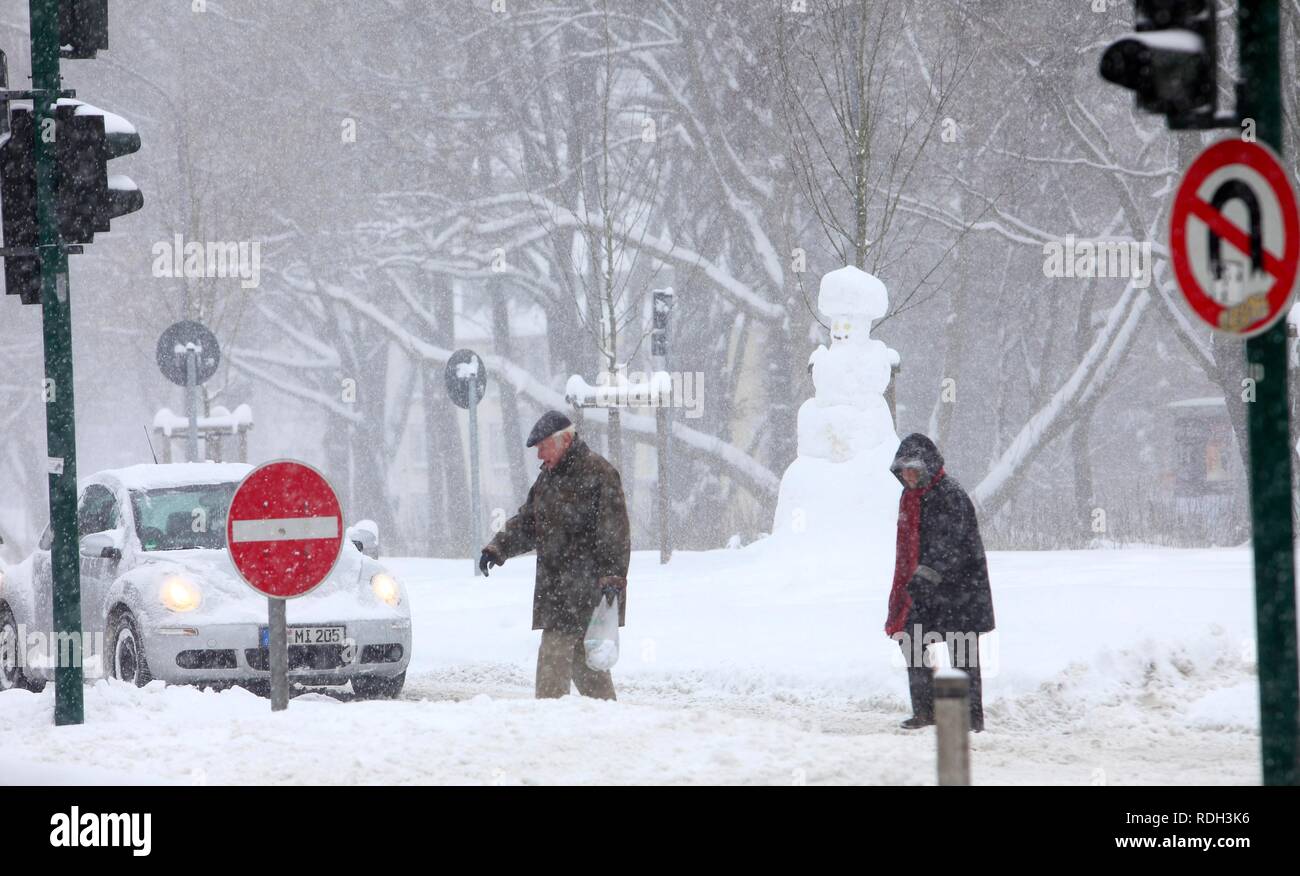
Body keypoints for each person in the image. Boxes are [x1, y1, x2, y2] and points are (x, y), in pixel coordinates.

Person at [479, 411, 630, 700]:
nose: (539, 455)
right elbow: (528, 522)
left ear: (565, 440)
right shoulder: (547, 480)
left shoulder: (600, 473)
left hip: (588, 593)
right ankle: (607, 721)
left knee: (555, 668)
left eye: (543, 447)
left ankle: (550, 726)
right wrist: (497, 548)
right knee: (588, 671)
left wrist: (612, 578)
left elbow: (615, 532)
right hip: (557, 593)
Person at [885, 433, 994, 732]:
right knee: (912, 641)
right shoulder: (910, 497)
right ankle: (926, 711)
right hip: (925, 589)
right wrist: (913, 581)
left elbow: (951, 544)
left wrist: (927, 574)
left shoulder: (950, 494)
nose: (907, 474)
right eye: (903, 469)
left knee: (962, 652)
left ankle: (970, 720)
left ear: (928, 467)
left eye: (913, 468)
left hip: (961, 589)